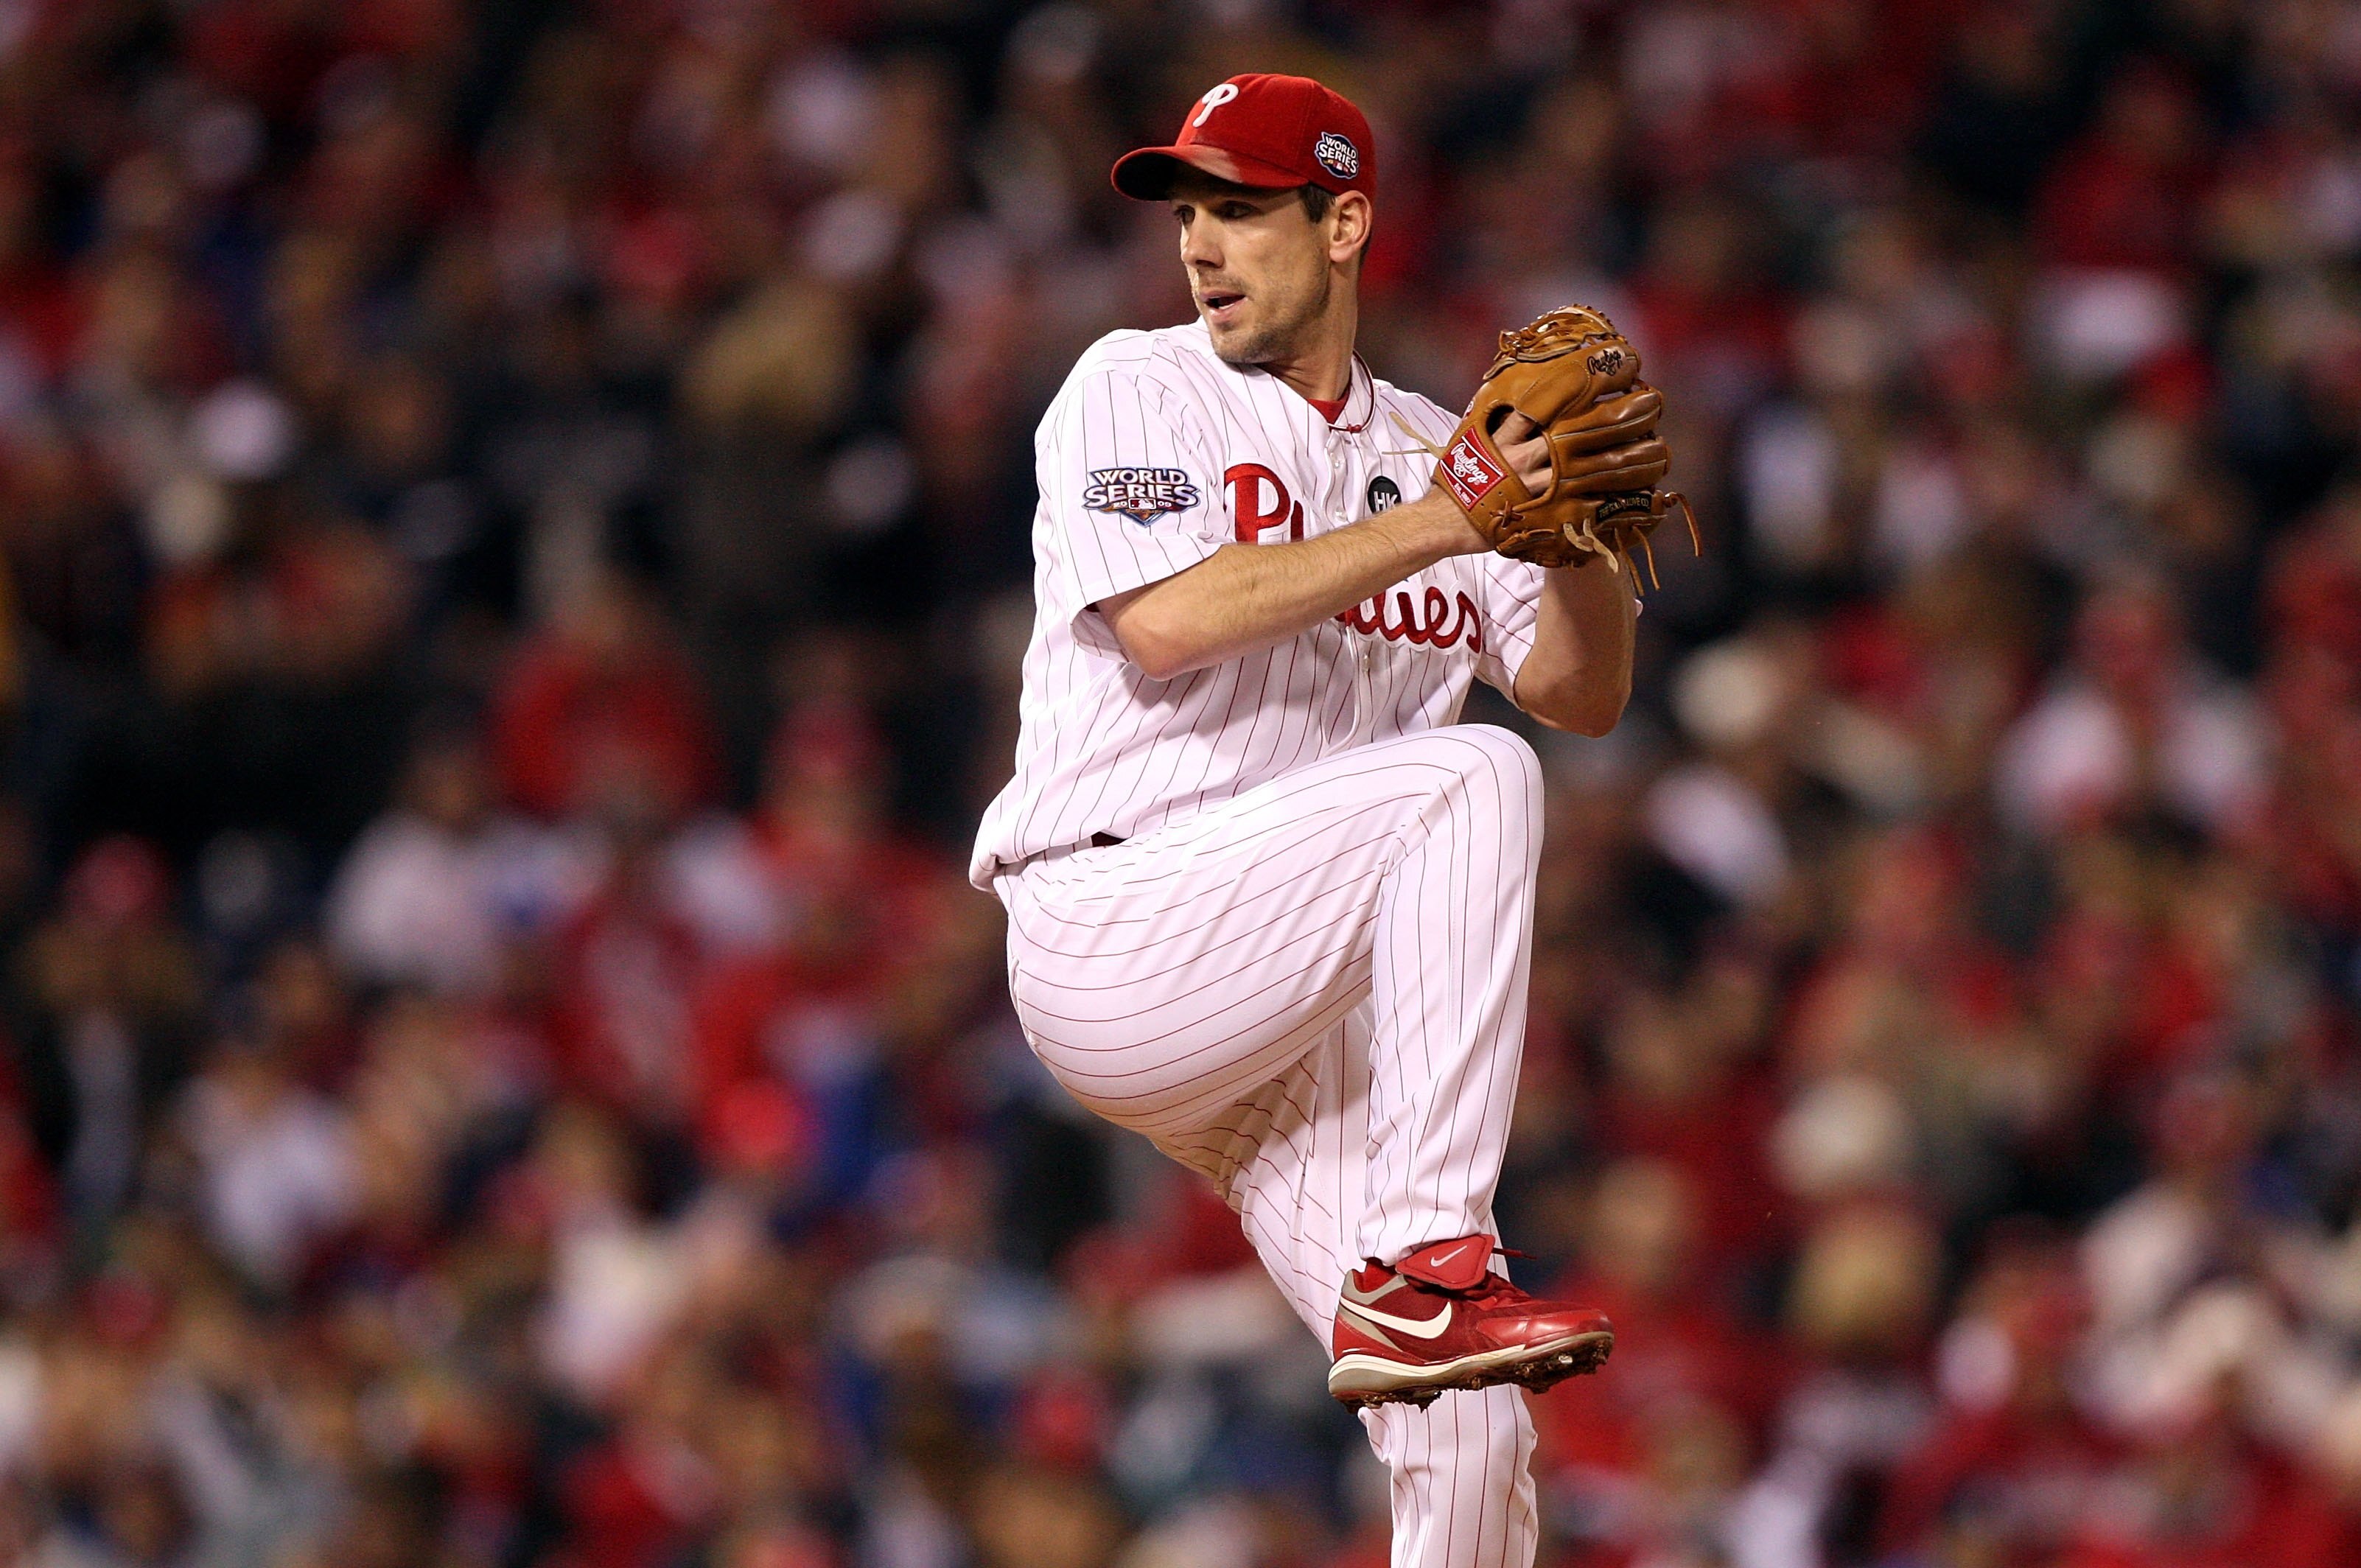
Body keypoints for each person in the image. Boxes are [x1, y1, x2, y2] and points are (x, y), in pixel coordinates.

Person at [971, 74, 1649, 1568]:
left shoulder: (1430, 443)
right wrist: (1461, 513)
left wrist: (1574, 535)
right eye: (1188, 209)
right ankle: (1429, 1264)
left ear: (1343, 222)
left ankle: (1429, 1296)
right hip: (1121, 919)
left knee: (1472, 1415)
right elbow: (1168, 622)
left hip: (1292, 1019)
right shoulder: (1137, 384)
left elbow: (1574, 687)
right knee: (1469, 780)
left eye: (1242, 207)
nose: (1202, 241)